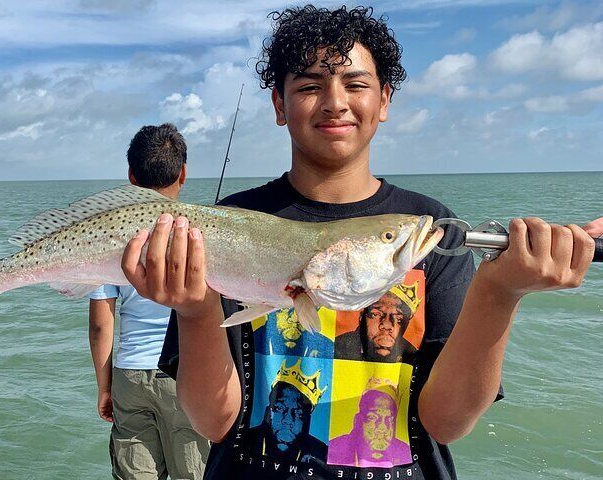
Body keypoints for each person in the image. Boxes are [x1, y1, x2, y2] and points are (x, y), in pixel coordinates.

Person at [121, 6, 597, 480]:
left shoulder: (432, 231)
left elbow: (446, 423)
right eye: (309, 86)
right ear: (279, 105)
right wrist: (196, 308)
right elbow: (213, 421)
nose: (334, 102)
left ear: (385, 99)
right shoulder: (225, 225)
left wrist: (500, 293)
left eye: (356, 83)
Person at [88, 123, 209, 480]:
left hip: (130, 375)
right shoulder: (201, 234)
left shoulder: (108, 233)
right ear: (183, 173)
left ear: (130, 176)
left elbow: (101, 324)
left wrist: (105, 387)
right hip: (187, 372)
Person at [335, 282, 420, 362]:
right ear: (361, 317)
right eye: (376, 314)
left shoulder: (413, 355)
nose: (387, 325)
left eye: (398, 319)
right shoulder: (336, 346)